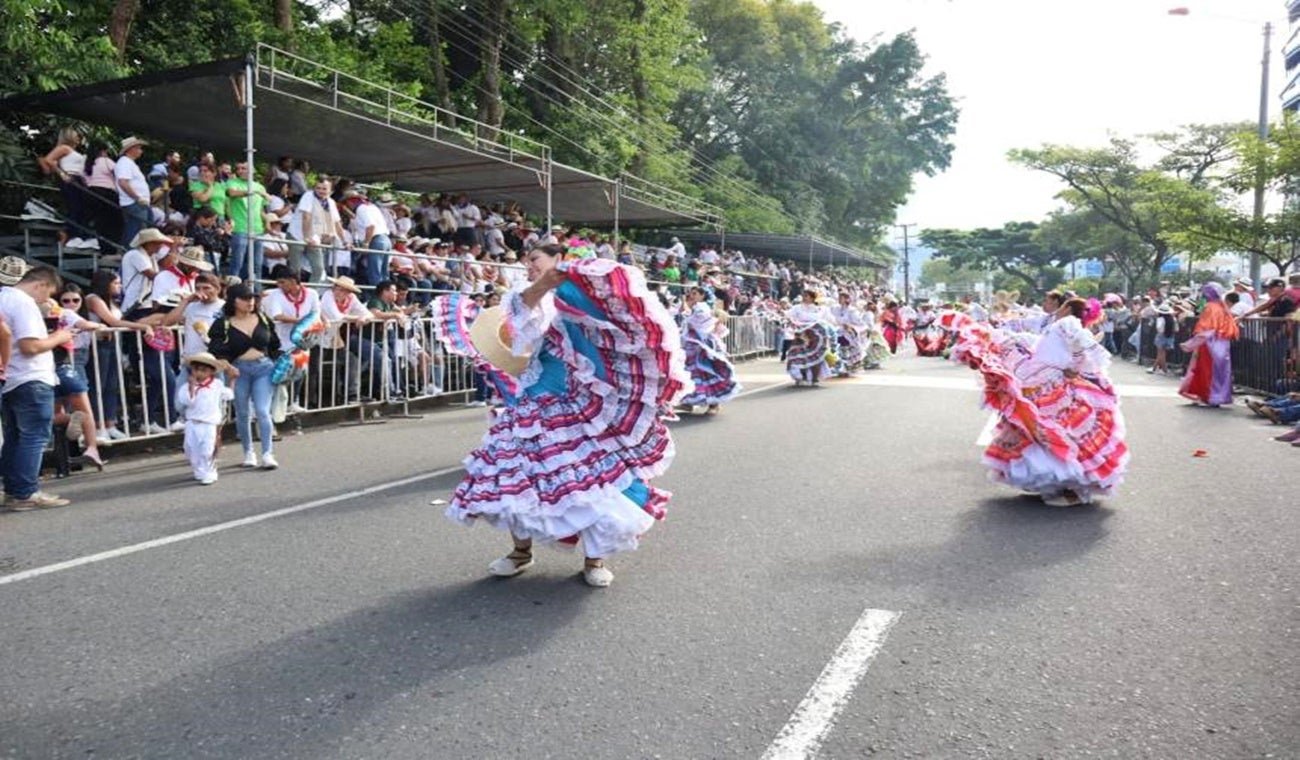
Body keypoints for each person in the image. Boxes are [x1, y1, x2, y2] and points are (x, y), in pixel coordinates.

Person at [430, 244, 690, 587]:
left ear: (557, 260)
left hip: (577, 406)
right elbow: (523, 319)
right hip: (529, 406)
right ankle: (520, 552)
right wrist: (546, 283)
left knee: (593, 482)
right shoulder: (529, 298)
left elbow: (614, 316)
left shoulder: (575, 302)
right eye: (526, 260)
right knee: (513, 478)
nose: (529, 265)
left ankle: (594, 559)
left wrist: (568, 284)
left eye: (535, 259)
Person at [949, 297, 1129, 507]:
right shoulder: (1057, 326)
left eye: (1061, 306)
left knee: (1056, 434)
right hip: (1042, 384)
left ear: (1068, 308)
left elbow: (1090, 356)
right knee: (1040, 434)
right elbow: (1044, 346)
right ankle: (1057, 485)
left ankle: (1074, 490)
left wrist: (1075, 366)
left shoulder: (1067, 324)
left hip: (1052, 387)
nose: (1058, 310)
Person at [0, 265, 73, 509]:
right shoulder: (24, 303)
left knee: (15, 436)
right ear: (40, 284)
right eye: (48, 293)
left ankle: (14, 489)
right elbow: (30, 346)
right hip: (31, 377)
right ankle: (26, 492)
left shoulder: (4, 298)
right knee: (34, 436)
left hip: (11, 377)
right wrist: (60, 337)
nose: (47, 299)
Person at [207, 284, 281, 470]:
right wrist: (226, 364)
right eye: (245, 298)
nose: (250, 302)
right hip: (238, 369)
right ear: (234, 300)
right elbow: (216, 349)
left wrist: (278, 361)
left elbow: (274, 343)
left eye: (253, 298)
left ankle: (267, 453)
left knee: (263, 411)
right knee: (242, 413)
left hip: (263, 368)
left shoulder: (263, 319)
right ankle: (248, 451)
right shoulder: (223, 323)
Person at [83, 269, 154, 440]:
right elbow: (113, 321)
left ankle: (110, 422)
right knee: (98, 386)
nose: (119, 286)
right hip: (98, 344)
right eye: (115, 283)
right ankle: (98, 425)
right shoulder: (93, 298)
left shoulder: (112, 301)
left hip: (113, 343)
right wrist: (141, 326)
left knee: (112, 385)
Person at [677, 285, 740, 414]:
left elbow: (702, 322)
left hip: (703, 345)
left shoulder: (702, 307)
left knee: (708, 373)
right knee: (690, 374)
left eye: (695, 293)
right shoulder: (694, 308)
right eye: (691, 293)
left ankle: (713, 405)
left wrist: (688, 314)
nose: (692, 295)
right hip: (691, 346)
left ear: (702, 296)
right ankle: (688, 402)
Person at [174, 352, 233, 485]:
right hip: (192, 422)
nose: (199, 373)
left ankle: (210, 471)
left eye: (204, 370)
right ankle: (199, 469)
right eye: (196, 369)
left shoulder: (216, 384)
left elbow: (228, 395)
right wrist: (191, 386)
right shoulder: (186, 387)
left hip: (209, 423)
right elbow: (188, 401)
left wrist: (233, 380)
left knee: (207, 449)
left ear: (211, 372)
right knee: (190, 449)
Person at [1178, 282, 1239, 407]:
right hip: (1223, 344)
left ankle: (1208, 396)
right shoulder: (1223, 307)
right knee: (1220, 371)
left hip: (1209, 344)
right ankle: (1217, 396)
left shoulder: (1210, 307)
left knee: (1206, 371)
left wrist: (1191, 344)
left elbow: (1205, 329)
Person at [114, 137, 151, 249]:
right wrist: (137, 198)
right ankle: (130, 252)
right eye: (139, 148)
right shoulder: (125, 162)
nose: (141, 151)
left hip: (137, 203)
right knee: (136, 230)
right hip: (134, 203)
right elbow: (123, 182)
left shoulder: (129, 163)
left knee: (137, 228)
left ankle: (129, 251)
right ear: (131, 149)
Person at [1148, 302, 1175, 375]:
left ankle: (1160, 369)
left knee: (1160, 354)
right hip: (1169, 336)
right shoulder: (1172, 319)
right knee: (1163, 354)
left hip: (1161, 336)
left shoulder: (1160, 319)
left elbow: (1159, 329)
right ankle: (1159, 369)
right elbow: (1176, 329)